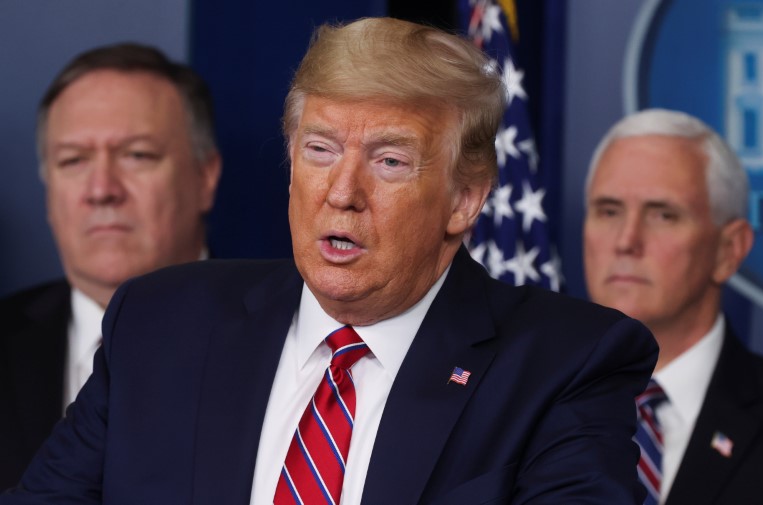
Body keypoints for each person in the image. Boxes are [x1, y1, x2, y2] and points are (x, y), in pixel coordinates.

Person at [1, 18, 656, 504]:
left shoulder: (564, 364)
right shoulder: (158, 322)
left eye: (390, 161)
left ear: (464, 198)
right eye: (319, 150)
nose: (342, 193)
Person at [0, 43, 221, 489]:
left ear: (205, 176)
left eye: (137, 155)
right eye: (73, 161)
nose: (101, 189)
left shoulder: (292, 343)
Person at [583, 108, 763, 505]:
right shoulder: (518, 404)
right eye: (609, 211)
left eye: (663, 215)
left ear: (728, 250)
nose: (626, 240)